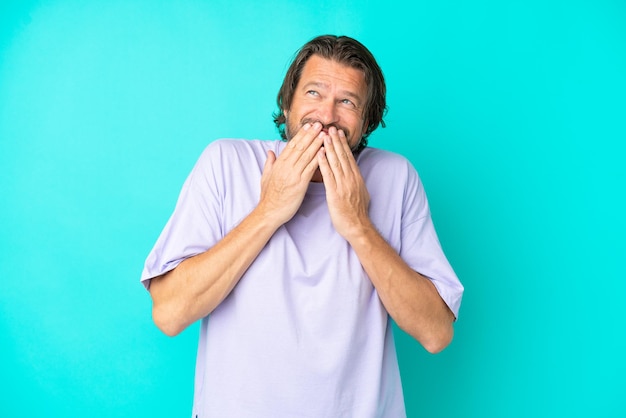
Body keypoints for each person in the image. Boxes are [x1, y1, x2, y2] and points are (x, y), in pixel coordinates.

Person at [141, 34, 463, 417]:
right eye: (313, 93)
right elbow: (170, 313)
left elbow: (436, 333)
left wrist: (358, 225)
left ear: (368, 120)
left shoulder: (396, 178)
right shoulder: (225, 163)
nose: (326, 116)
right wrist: (270, 210)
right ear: (288, 102)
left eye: (347, 102)